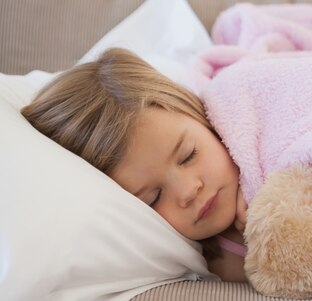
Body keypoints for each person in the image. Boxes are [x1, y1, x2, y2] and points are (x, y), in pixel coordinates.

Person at [21, 48, 248, 282]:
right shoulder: (220, 261)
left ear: (196, 113)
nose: (189, 190)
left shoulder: (255, 120)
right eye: (153, 197)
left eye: (188, 155)